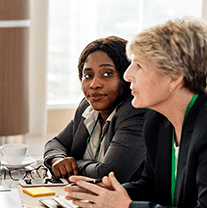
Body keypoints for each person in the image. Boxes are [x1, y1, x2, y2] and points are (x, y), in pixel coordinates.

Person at [65, 17, 207, 208]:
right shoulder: (157, 120)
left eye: (138, 65)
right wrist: (104, 194)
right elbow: (150, 187)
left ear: (174, 77)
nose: (128, 75)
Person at [44, 36, 146, 182]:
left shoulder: (134, 112)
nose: (94, 84)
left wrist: (75, 163)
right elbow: (56, 143)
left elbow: (108, 174)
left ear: (126, 77)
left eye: (107, 74)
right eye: (88, 75)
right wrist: (57, 159)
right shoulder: (87, 108)